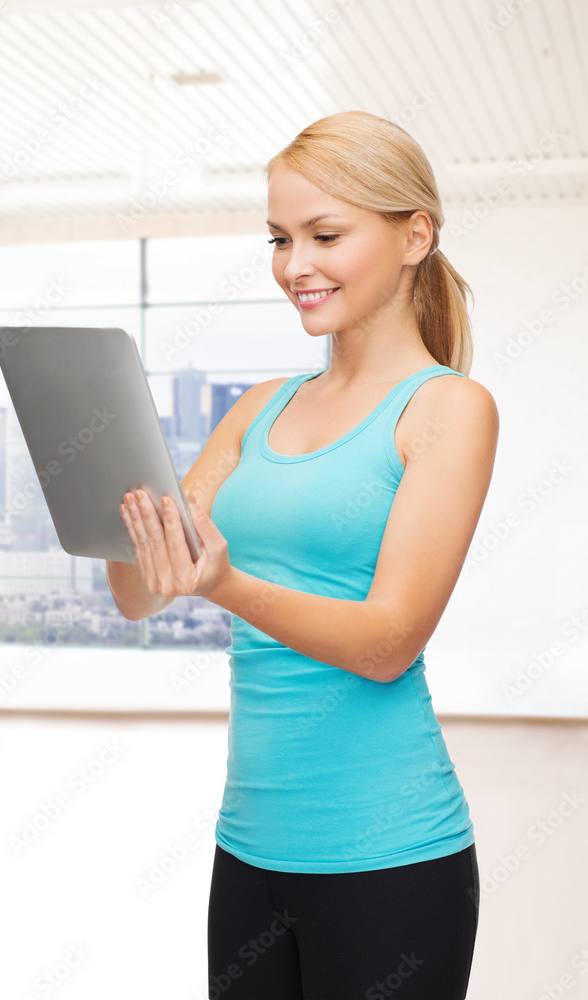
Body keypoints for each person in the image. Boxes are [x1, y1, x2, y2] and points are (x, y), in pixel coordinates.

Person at [105, 110, 498, 999]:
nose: (294, 266)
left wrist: (227, 583)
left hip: (392, 858)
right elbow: (137, 595)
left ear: (414, 235)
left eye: (325, 235)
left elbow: (388, 641)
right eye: (280, 239)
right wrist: (123, 516)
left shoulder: (446, 410)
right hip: (248, 849)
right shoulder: (258, 407)